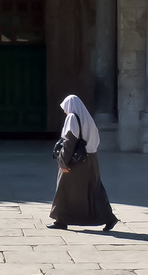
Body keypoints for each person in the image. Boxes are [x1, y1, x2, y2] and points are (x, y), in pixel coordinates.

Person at [48, 94, 116, 231]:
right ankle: (109, 218)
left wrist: (63, 162)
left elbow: (69, 141)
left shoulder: (72, 118)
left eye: (65, 108)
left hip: (77, 162)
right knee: (94, 189)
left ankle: (61, 221)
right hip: (91, 159)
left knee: (64, 188)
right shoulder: (87, 119)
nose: (64, 111)